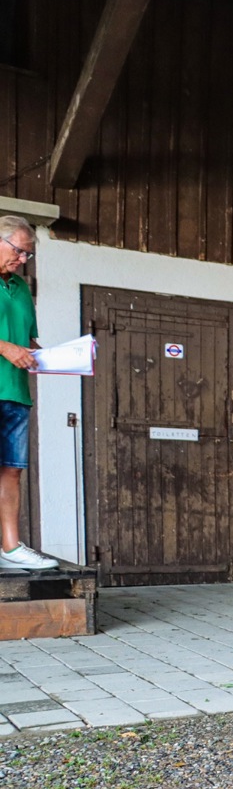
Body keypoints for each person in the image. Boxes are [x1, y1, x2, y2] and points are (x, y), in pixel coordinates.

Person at [0, 216, 56, 571]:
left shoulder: (20, 288)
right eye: (19, 252)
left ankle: (10, 547)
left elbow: (29, 341)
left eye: (28, 256)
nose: (23, 260)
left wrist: (60, 357)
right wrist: (4, 347)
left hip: (16, 394)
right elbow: (10, 345)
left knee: (12, 470)